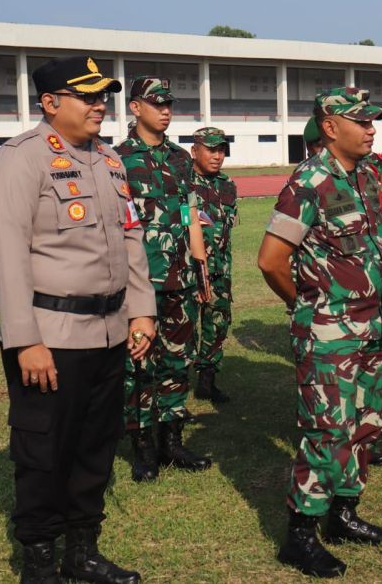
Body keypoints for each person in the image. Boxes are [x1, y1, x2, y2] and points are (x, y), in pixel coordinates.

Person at [0, 55, 155, 584]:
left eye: (103, 94)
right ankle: (39, 565)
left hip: (108, 333)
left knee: (94, 447)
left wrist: (142, 309)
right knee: (43, 454)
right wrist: (24, 340)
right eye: (87, 95)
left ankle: (82, 553)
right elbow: (7, 256)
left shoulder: (109, 161)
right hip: (50, 337)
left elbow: (131, 238)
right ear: (50, 103)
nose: (99, 104)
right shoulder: (18, 161)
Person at [259, 88, 382, 578]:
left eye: (372, 122)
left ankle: (344, 514)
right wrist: (307, 305)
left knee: (365, 424)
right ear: (329, 126)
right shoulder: (308, 182)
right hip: (328, 333)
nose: (370, 128)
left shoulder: (365, 175)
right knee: (326, 431)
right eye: (360, 121)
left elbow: (381, 236)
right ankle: (300, 534)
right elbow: (271, 260)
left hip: (372, 329)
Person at [303, 117, 382, 441]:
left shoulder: (374, 166)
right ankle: (352, 431)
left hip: (379, 274)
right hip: (339, 292)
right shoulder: (310, 180)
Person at [116, 76, 212, 483]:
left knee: (177, 360)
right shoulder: (117, 159)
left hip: (181, 278)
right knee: (139, 366)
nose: (166, 110)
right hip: (140, 282)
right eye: (157, 103)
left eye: (169, 103)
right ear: (136, 108)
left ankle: (172, 440)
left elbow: (190, 211)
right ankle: (143, 447)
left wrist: (201, 263)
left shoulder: (179, 159)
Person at [190, 127, 238, 404]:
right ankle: (170, 383)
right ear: (195, 151)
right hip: (189, 270)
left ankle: (207, 381)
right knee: (184, 327)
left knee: (217, 324)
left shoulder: (227, 184)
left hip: (221, 269)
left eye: (221, 149)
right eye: (211, 149)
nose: (218, 155)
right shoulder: (182, 183)